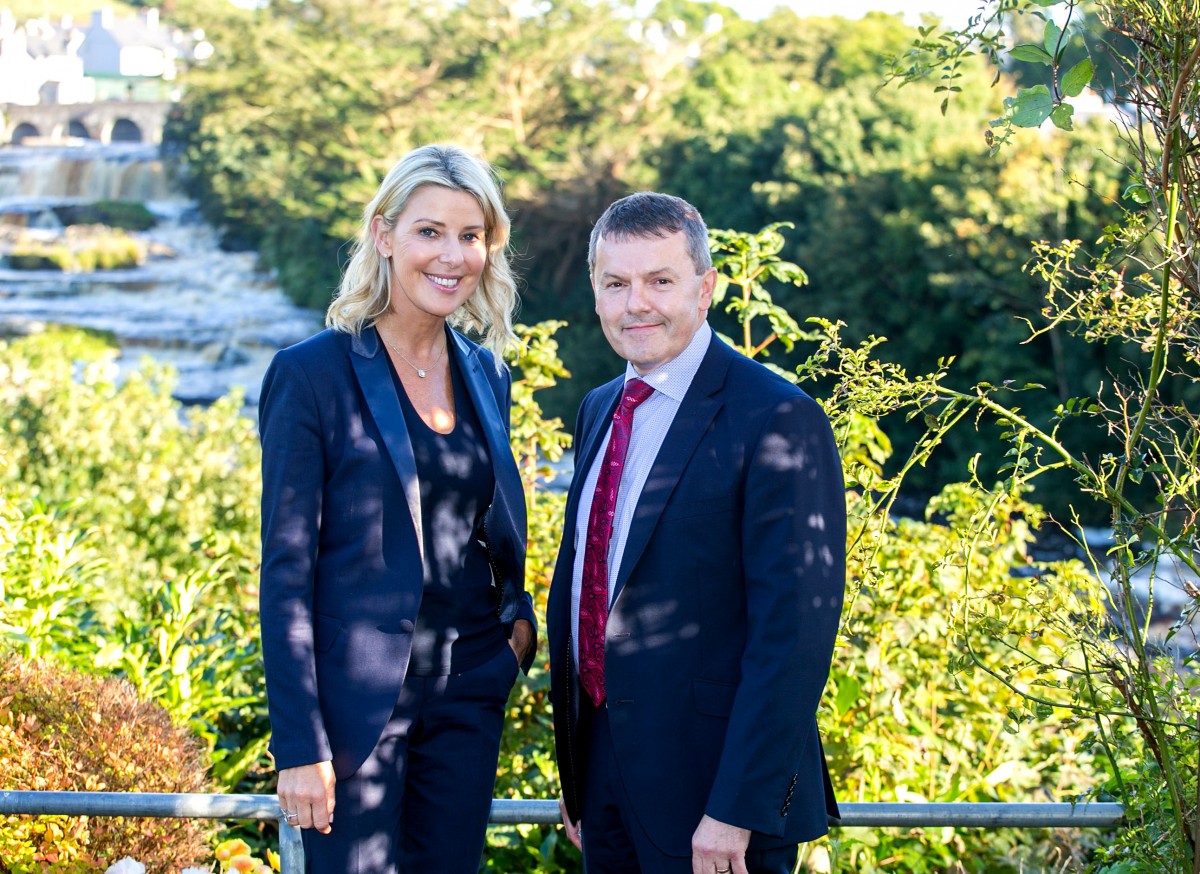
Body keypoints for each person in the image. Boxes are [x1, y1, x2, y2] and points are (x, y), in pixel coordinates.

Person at [257, 143, 536, 874]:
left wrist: (516, 638)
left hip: (470, 691)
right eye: (429, 232)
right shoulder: (309, 374)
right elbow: (286, 572)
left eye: (470, 236)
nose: (451, 256)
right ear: (383, 235)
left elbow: (490, 528)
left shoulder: (486, 373)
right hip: (356, 714)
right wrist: (299, 744)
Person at [547, 192, 845, 874]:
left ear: (705, 289)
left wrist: (737, 807)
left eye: (660, 281)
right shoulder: (598, 409)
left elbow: (794, 633)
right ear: (594, 289)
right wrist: (579, 778)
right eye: (616, 283)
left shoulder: (778, 418)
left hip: (717, 803)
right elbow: (594, 591)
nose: (635, 305)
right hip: (605, 784)